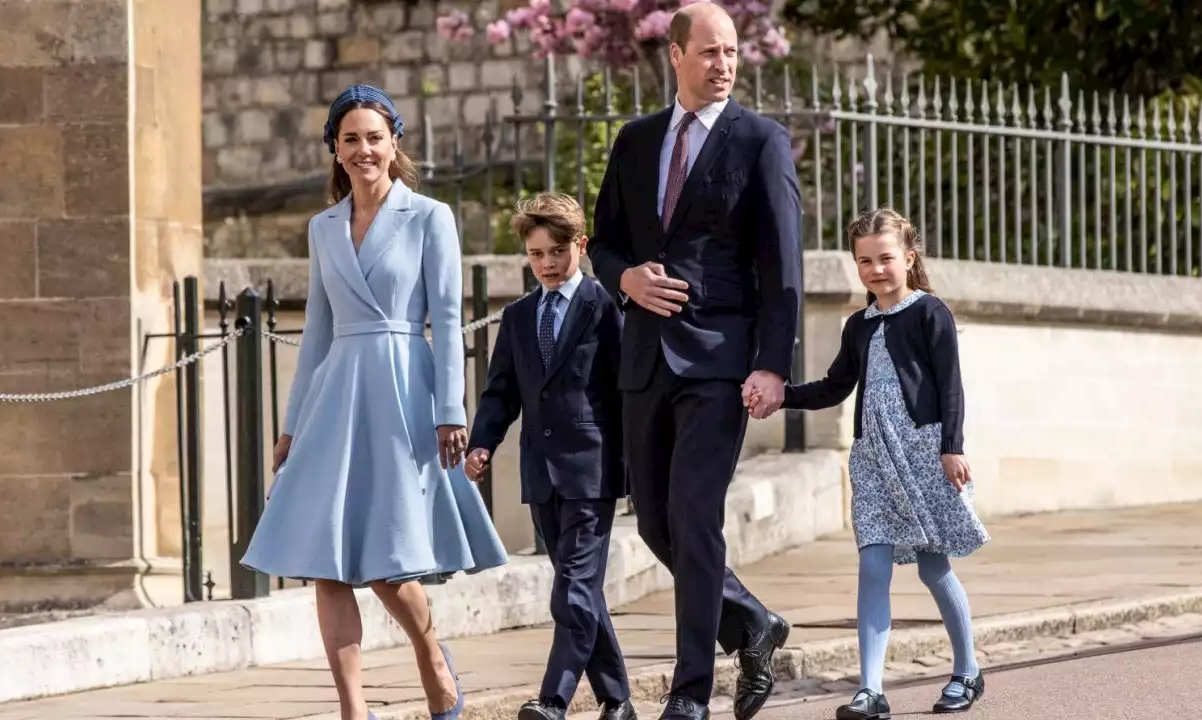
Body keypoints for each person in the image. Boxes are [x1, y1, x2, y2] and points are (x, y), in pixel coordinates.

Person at [240, 84, 508, 720]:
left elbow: (446, 318)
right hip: (336, 399)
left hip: (401, 391)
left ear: (395, 146)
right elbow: (317, 333)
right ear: (335, 149)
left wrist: (450, 409)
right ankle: (353, 710)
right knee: (326, 562)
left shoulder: (428, 217)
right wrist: (291, 426)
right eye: (350, 138)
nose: (363, 149)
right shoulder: (323, 227)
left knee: (389, 563)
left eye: (374, 137)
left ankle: (432, 658)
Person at [585, 3, 803, 719]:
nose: (725, 64)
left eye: (733, 52)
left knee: (694, 512)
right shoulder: (636, 140)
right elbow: (605, 240)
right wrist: (627, 280)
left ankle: (690, 693)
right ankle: (753, 625)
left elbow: (783, 268)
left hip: (720, 363)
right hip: (645, 361)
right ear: (673, 55)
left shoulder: (760, 142)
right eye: (709, 52)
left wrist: (773, 364)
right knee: (653, 522)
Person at [778, 208, 989, 720]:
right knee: (873, 567)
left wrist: (952, 447)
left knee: (934, 566)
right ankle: (870, 690)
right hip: (872, 457)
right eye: (864, 261)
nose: (876, 269)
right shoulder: (857, 325)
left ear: (908, 258)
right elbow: (833, 386)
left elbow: (950, 385)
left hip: (923, 451)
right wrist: (779, 396)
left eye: (886, 258)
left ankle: (967, 670)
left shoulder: (929, 311)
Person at [463, 193, 635, 720]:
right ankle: (618, 700)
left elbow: (628, 388)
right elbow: (501, 392)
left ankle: (552, 700)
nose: (548, 264)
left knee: (572, 591)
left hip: (593, 469)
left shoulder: (606, 308)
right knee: (580, 591)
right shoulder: (517, 317)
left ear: (580, 246)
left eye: (558, 251)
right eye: (536, 254)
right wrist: (482, 442)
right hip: (540, 473)